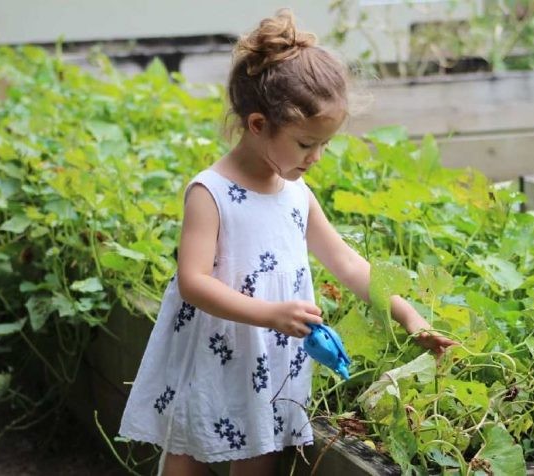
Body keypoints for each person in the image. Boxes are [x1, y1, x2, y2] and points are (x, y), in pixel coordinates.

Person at [118, 8, 457, 476]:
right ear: (258, 125)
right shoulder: (211, 193)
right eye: (304, 144)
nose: (315, 157)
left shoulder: (296, 195)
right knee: (188, 452)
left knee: (262, 451)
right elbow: (193, 282)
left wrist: (408, 315)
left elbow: (348, 264)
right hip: (218, 351)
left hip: (272, 360)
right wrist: (270, 314)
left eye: (324, 145)